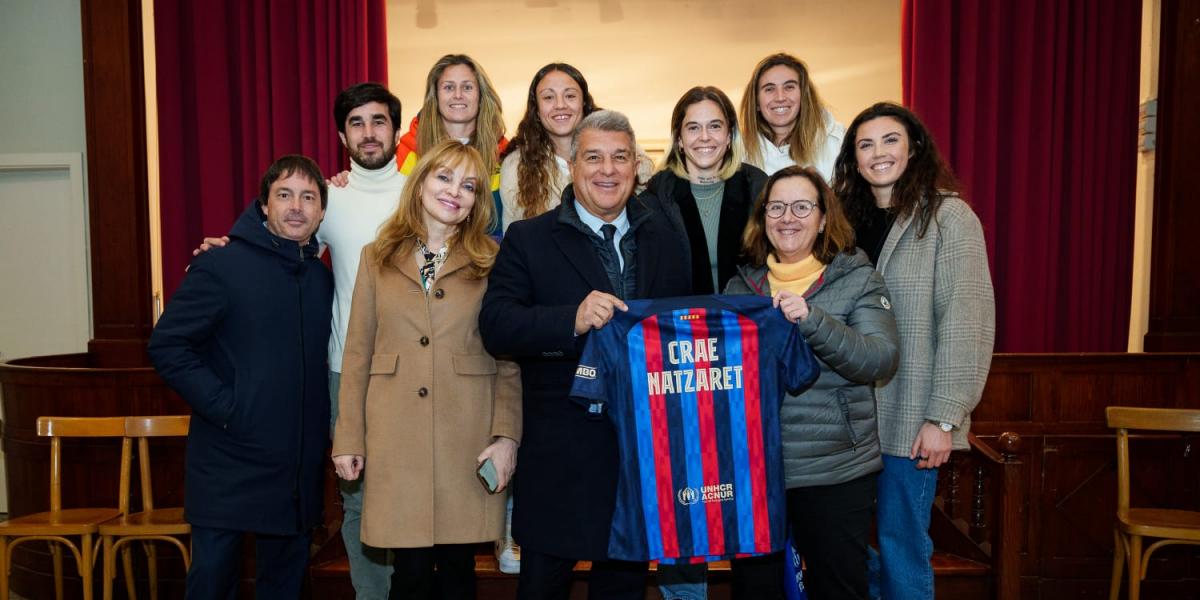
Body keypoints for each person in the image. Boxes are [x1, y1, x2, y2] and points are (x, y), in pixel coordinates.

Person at [196, 82, 406, 599]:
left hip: (415, 368)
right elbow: (270, 236)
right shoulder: (328, 199)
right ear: (342, 135)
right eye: (357, 123)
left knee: (416, 492)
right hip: (345, 369)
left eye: (379, 121)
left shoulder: (424, 191)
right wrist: (223, 245)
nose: (369, 132)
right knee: (356, 499)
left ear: (396, 131)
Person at [479, 110, 692, 600]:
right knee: (542, 587)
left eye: (620, 158)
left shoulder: (666, 238)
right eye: (593, 157)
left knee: (622, 588)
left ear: (636, 167)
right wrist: (569, 320)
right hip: (559, 453)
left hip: (639, 454)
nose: (607, 170)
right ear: (572, 166)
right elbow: (497, 326)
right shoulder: (528, 238)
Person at [332, 140, 521, 600]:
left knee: (458, 572)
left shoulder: (492, 262)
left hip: (467, 433)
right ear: (420, 184)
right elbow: (357, 352)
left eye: (469, 185)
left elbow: (509, 359)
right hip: (395, 435)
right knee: (409, 573)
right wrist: (349, 438)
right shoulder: (375, 256)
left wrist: (506, 436)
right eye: (444, 177)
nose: (455, 191)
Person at [148, 156, 332, 599]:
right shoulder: (221, 264)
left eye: (309, 198)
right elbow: (168, 345)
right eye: (284, 195)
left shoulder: (321, 280)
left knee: (284, 585)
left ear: (322, 213)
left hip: (295, 468)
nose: (296, 207)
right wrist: (228, 407)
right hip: (228, 460)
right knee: (213, 582)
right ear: (263, 205)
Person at [832, 101, 995, 599]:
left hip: (911, 418)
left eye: (890, 140)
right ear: (853, 159)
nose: (878, 152)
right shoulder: (842, 225)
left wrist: (944, 418)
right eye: (865, 144)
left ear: (914, 147)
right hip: (848, 422)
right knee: (850, 548)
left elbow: (968, 323)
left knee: (903, 543)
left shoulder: (950, 218)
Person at [725, 165, 900, 599]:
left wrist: (812, 320)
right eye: (777, 207)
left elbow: (878, 358)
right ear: (763, 218)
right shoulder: (738, 287)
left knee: (838, 587)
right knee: (755, 588)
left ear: (824, 217)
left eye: (802, 206)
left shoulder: (859, 278)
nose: (788, 217)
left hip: (835, 470)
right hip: (757, 472)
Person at [499, 63, 655, 234]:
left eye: (570, 96)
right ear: (536, 109)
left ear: (584, 103)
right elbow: (513, 236)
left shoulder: (625, 151)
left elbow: (648, 220)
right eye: (548, 97)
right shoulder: (515, 167)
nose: (560, 105)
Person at [644, 85, 767, 295]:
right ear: (679, 140)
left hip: (749, 321)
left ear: (729, 136)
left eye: (715, 126)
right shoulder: (654, 199)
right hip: (681, 323)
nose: (704, 137)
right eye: (693, 128)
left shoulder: (759, 189)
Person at [739, 53, 845, 180]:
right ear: (756, 102)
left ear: (804, 96)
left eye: (789, 87)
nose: (780, 97)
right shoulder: (739, 154)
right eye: (769, 89)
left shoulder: (837, 144)